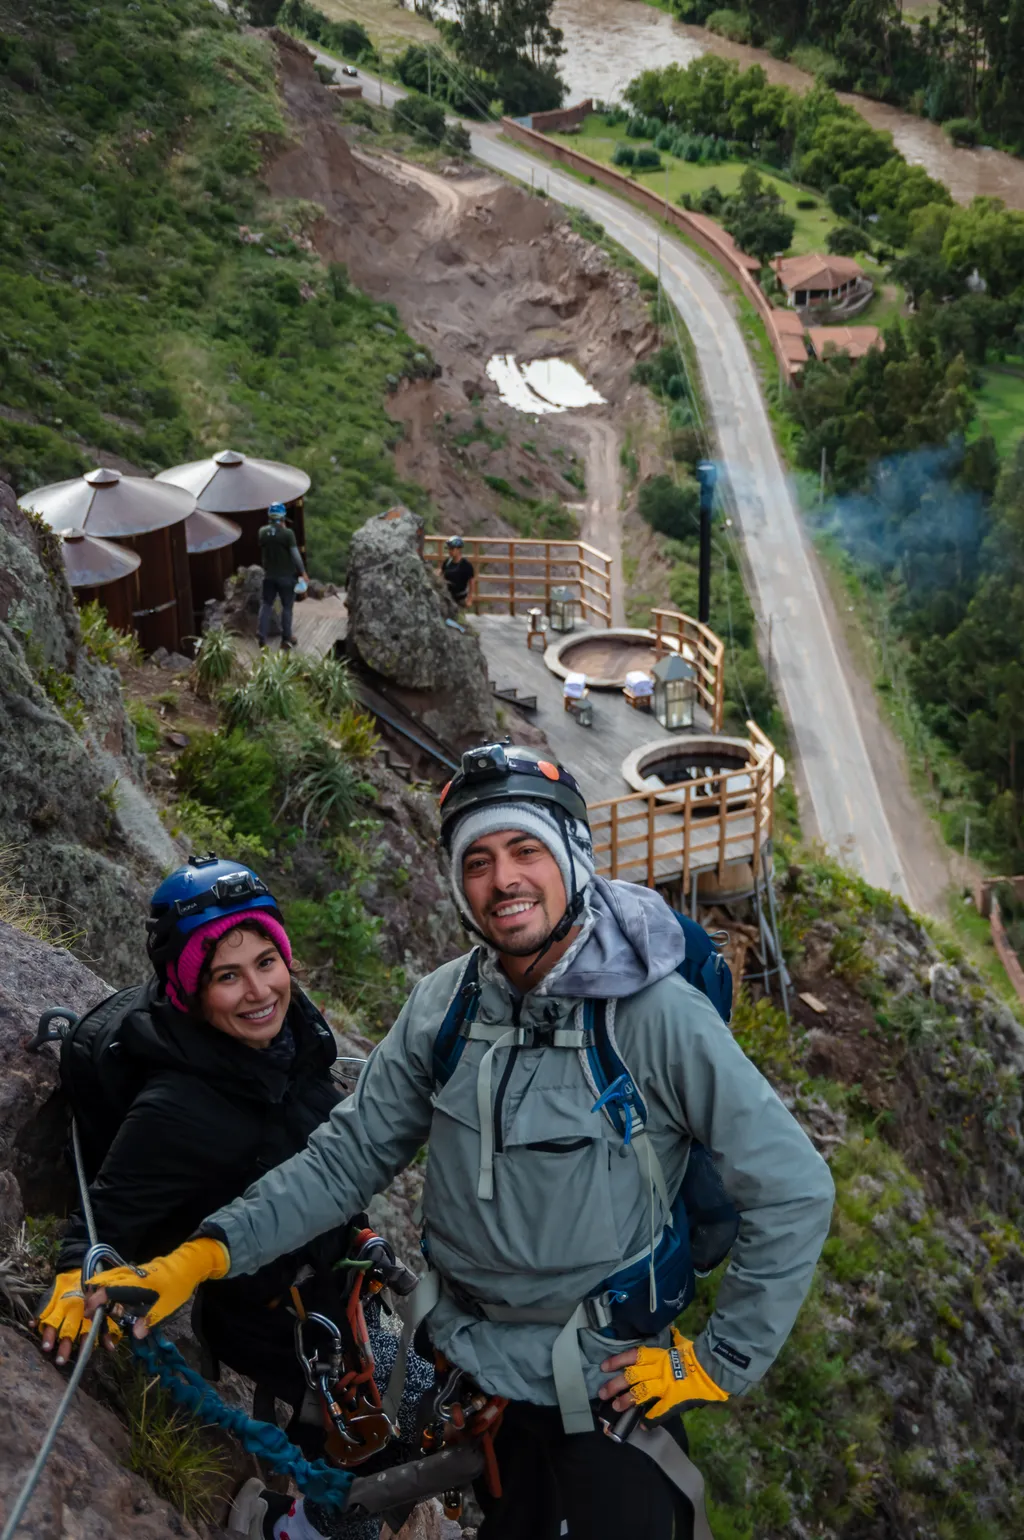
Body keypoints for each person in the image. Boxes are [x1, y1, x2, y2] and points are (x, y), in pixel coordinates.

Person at [86, 747, 835, 1540]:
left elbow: (794, 1188)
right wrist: (202, 1256)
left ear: (572, 859)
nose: (502, 879)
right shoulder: (446, 1005)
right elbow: (347, 1159)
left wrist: (713, 1363)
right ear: (457, 884)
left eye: (525, 850)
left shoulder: (652, 1017)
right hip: (459, 1353)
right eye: (476, 861)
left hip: (598, 1379)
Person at [35, 857, 430, 1540]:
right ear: (189, 992)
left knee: (417, 1417)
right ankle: (286, 1524)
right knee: (400, 1432)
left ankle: (308, 1510)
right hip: (269, 1310)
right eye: (227, 975)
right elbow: (108, 1215)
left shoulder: (295, 1036)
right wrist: (78, 1276)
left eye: (267, 961)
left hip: (332, 1280)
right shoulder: (178, 1106)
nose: (258, 991)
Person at [258, 502, 308, 650]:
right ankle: (286, 638)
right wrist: (303, 572)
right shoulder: (288, 534)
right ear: (283, 516)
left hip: (269, 576)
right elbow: (295, 555)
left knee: (266, 604)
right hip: (286, 576)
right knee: (287, 607)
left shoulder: (262, 532)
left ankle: (261, 636)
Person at [440, 535, 474, 609]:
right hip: (447, 597)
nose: (450, 551)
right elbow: (441, 576)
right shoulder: (447, 562)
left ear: (459, 549)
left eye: (452, 549)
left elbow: (471, 582)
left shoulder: (466, 565)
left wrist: (469, 599)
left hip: (460, 598)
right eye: (449, 549)